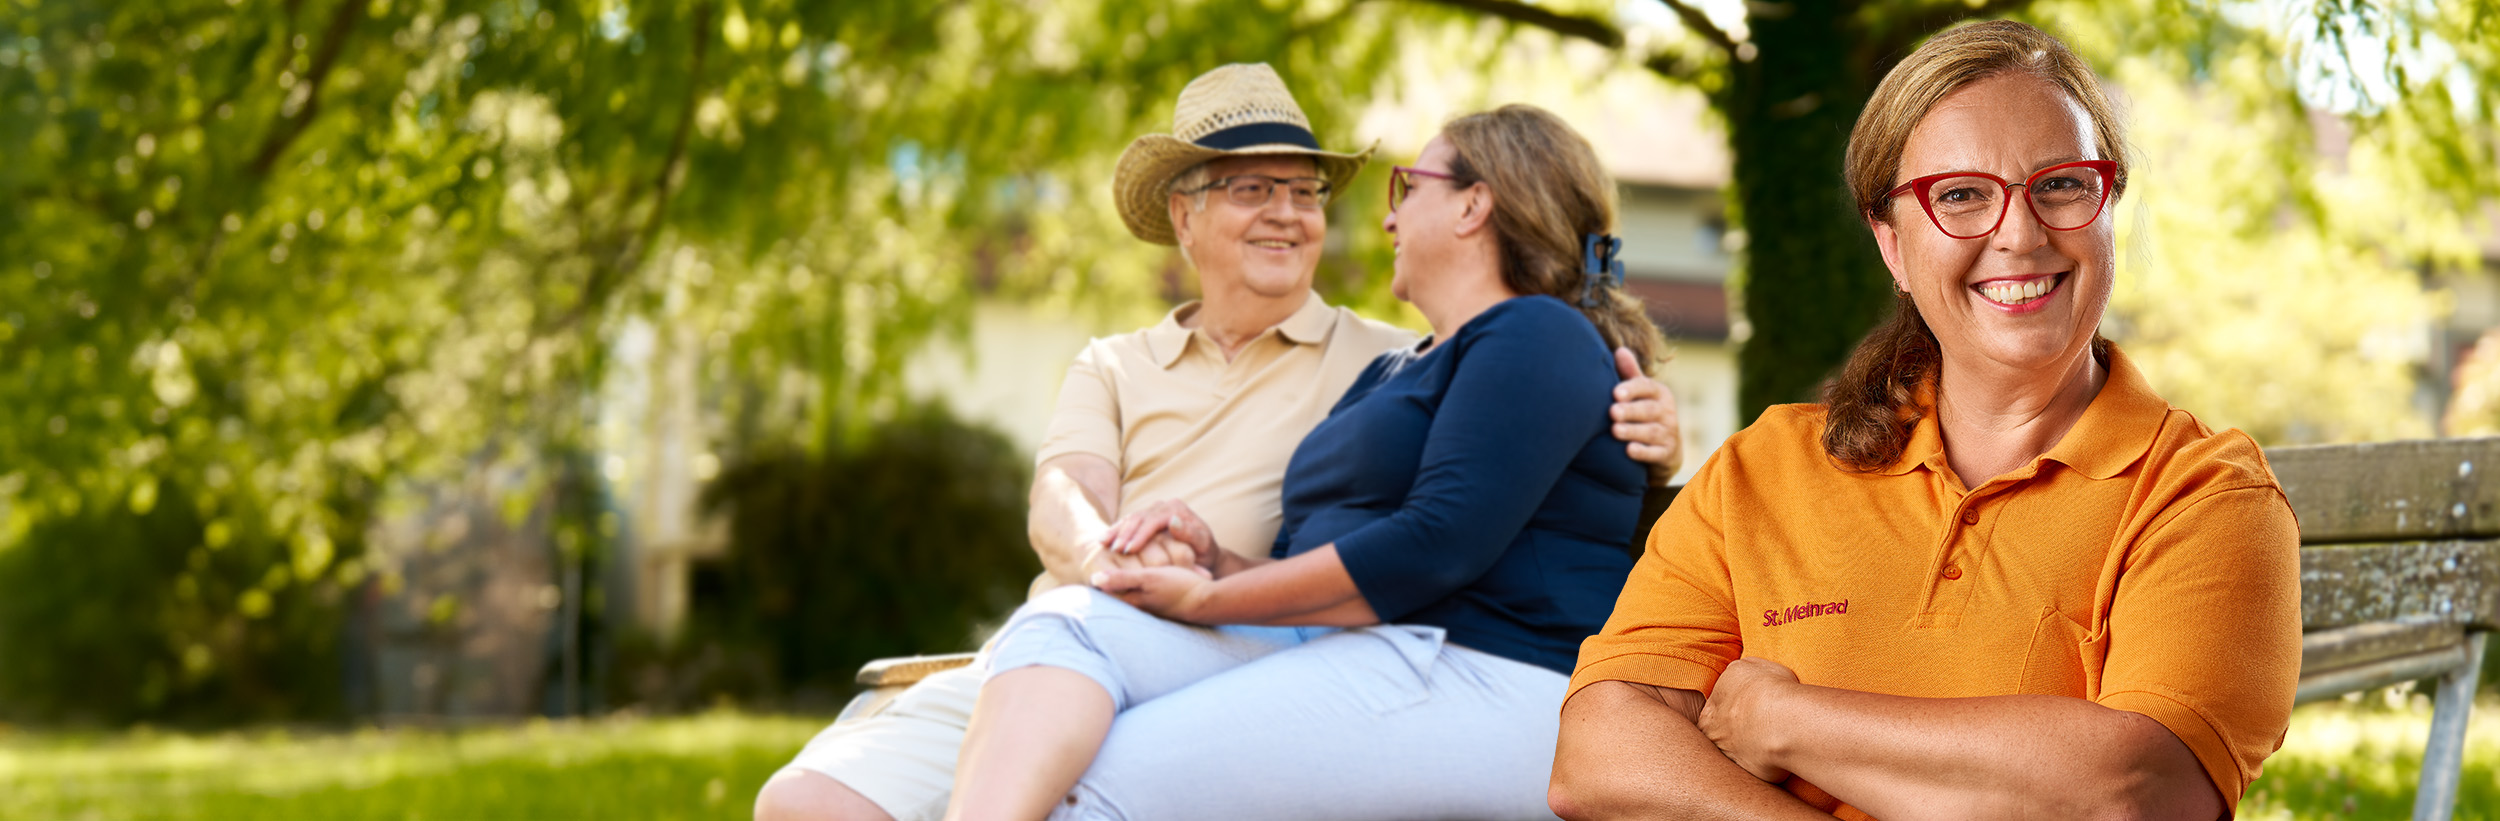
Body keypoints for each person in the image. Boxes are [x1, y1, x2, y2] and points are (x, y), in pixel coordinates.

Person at [754, 65, 1685, 821]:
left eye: (1317, 190)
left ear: (1476, 208)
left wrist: (1211, 591)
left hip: (1445, 657)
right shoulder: (1391, 370)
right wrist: (1187, 559)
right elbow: (1072, 498)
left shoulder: (1510, 338)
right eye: (1251, 188)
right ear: (1186, 215)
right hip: (1260, 630)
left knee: (1091, 778)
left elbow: (1442, 535)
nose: (1386, 214)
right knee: (1051, 628)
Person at [1548, 20, 2302, 821]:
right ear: (1893, 245)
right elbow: (1599, 751)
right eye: (1961, 196)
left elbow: (2132, 788)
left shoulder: (2205, 495)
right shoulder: (1762, 469)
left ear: (2108, 204)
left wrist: (1782, 720)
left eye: (2062, 184)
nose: (2018, 232)